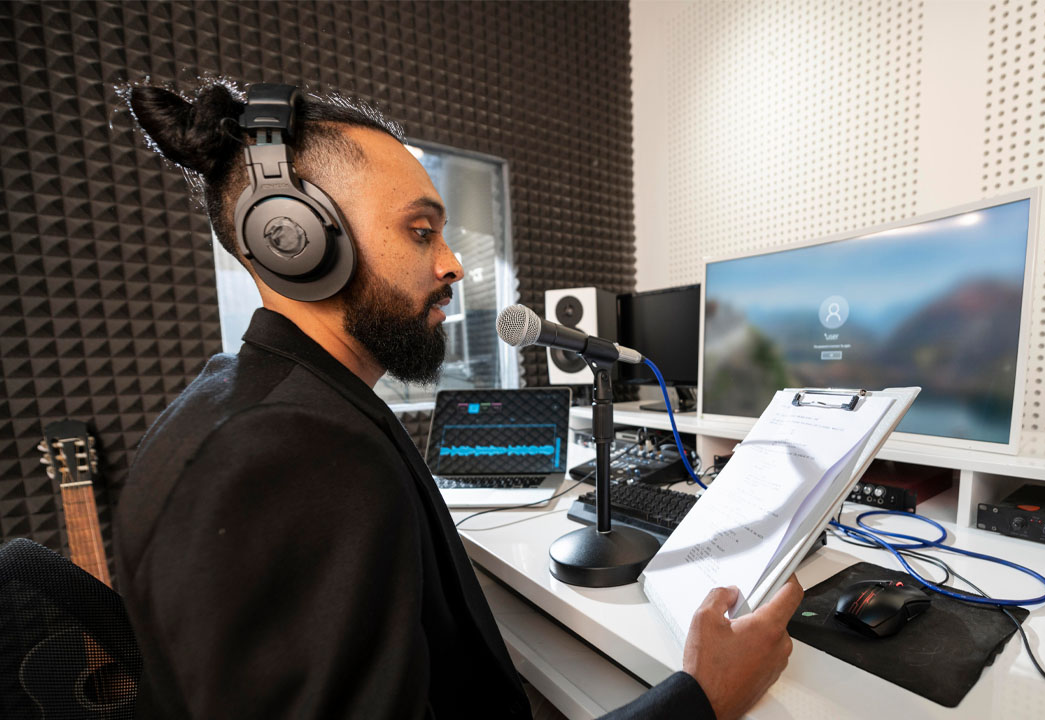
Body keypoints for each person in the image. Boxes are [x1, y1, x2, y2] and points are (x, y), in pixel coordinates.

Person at [114, 80, 802, 720]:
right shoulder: (284, 455)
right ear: (293, 239)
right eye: (421, 231)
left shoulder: (266, 410)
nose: (454, 264)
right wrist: (699, 699)